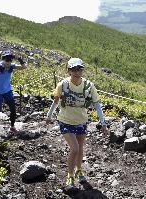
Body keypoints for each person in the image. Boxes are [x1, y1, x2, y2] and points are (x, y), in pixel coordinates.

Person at [46, 57, 109, 190]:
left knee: (80, 149)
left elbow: (97, 104)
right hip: (65, 120)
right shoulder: (62, 85)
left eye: (79, 69)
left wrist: (103, 123)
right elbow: (56, 101)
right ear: (68, 70)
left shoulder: (88, 86)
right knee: (74, 148)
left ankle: (79, 170)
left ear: (82, 70)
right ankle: (70, 176)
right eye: (73, 69)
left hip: (82, 121)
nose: (76, 72)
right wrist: (49, 116)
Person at [0, 50, 26, 133]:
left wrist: (19, 58)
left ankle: (12, 127)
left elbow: (24, 67)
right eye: (7, 60)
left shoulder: (11, 66)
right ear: (3, 59)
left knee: (13, 109)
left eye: (10, 60)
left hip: (7, 91)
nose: (8, 62)